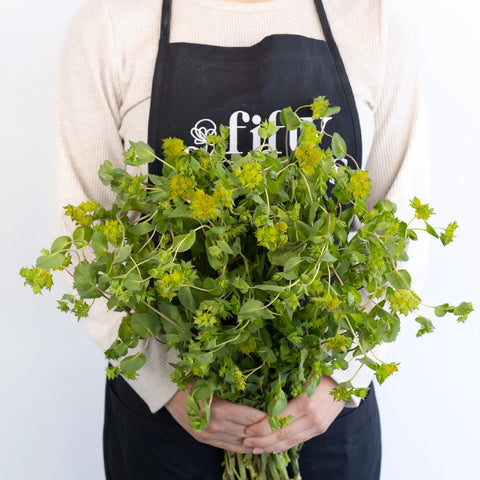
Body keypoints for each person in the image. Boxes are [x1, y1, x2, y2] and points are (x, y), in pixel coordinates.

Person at [55, 0, 429, 478]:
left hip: (322, 413)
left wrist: (341, 375)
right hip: (168, 419)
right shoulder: (110, 22)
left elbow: (398, 234)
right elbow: (84, 233)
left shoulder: (374, 21)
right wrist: (166, 383)